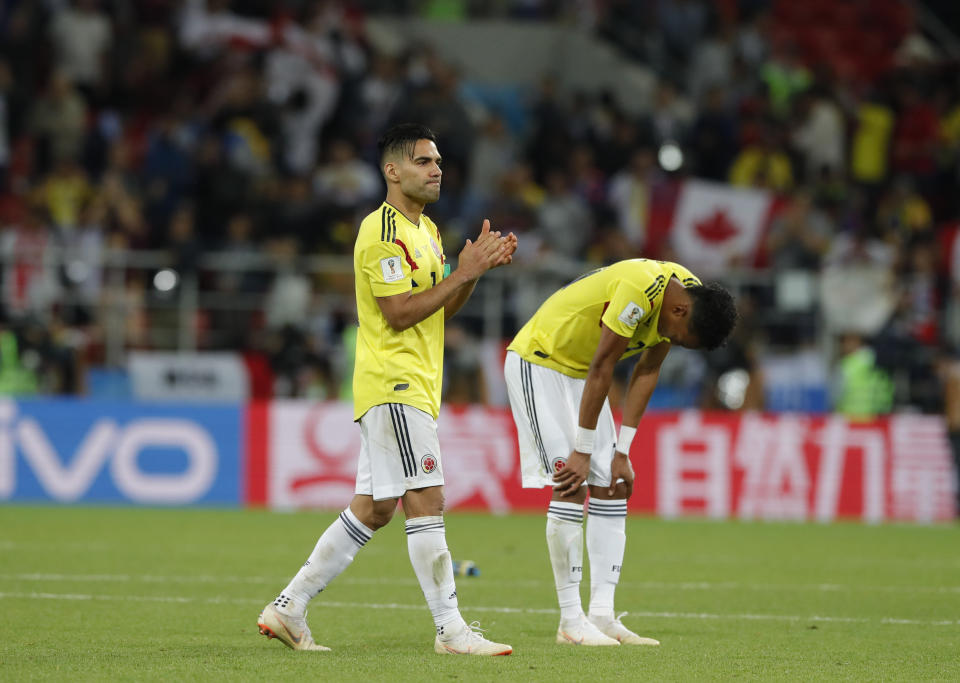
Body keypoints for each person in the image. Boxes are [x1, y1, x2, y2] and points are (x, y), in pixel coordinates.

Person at [258, 124, 517, 655]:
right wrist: (461, 271)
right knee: (427, 497)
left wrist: (470, 274)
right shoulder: (381, 233)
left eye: (438, 161)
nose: (437, 169)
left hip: (417, 385)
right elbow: (398, 315)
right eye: (424, 161)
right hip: (394, 382)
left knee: (375, 509)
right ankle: (451, 630)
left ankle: (288, 607)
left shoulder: (428, 232)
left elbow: (442, 307)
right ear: (392, 171)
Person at [504, 259, 737, 646]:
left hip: (583, 374)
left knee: (611, 485)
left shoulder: (688, 294)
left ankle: (602, 614)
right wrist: (582, 450)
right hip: (541, 362)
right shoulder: (640, 290)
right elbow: (604, 365)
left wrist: (622, 452)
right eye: (679, 338)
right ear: (680, 310)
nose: (673, 342)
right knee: (571, 484)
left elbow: (647, 370)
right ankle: (570, 621)